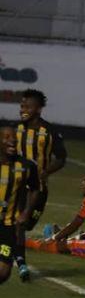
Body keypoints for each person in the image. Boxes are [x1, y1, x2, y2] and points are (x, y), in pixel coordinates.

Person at [15, 88, 67, 281]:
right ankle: (21, 264)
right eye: (22, 105)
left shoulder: (50, 132)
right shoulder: (16, 129)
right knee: (17, 223)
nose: (23, 109)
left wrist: (45, 173)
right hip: (18, 187)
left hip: (39, 190)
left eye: (27, 106)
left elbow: (61, 158)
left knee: (27, 224)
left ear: (38, 109)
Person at [0, 121, 40, 286]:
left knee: (3, 272)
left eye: (14, 137)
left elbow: (36, 188)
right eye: (7, 137)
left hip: (8, 226)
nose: (13, 141)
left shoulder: (26, 166)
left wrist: (26, 212)